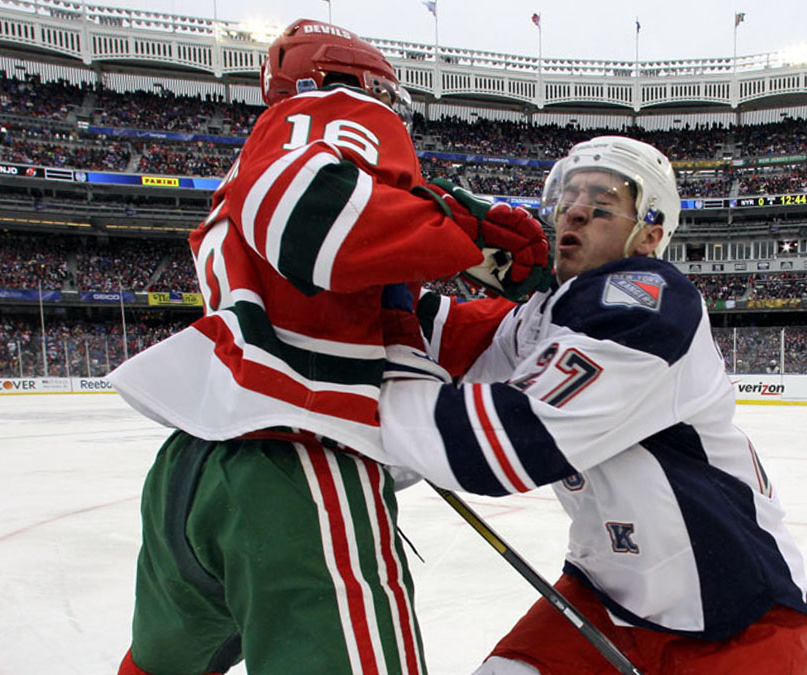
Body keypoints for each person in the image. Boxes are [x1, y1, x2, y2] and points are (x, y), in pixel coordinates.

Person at [108, 19, 548, 675]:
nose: (391, 120)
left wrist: (538, 310)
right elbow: (306, 215)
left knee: (160, 665)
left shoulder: (245, 185)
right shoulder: (326, 112)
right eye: (384, 99)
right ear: (346, 81)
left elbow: (405, 323)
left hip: (193, 468)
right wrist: (460, 225)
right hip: (296, 465)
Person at [373, 136, 807, 674]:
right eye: (569, 196)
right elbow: (449, 340)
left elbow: (503, 447)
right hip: (607, 597)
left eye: (604, 201)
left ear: (649, 234)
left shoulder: (647, 301)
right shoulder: (547, 311)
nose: (577, 208)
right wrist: (390, 256)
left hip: (736, 615)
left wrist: (393, 349)